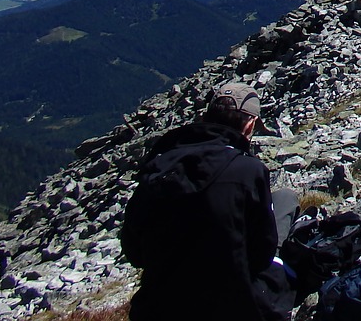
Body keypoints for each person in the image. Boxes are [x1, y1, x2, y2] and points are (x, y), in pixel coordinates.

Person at [122, 82, 299, 321]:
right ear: (248, 125)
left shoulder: (160, 165)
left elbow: (134, 252)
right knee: (285, 199)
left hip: (158, 308)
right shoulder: (247, 171)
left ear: (206, 118)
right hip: (231, 306)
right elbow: (261, 253)